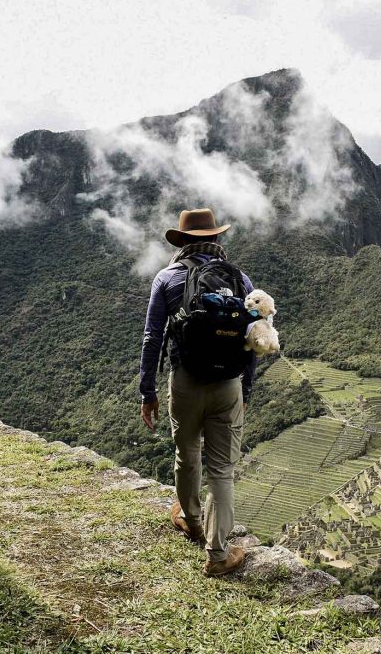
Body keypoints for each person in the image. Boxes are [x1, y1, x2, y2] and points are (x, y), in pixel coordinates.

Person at [139, 208, 256, 576]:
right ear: (216, 240)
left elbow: (152, 338)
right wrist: (245, 387)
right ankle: (219, 555)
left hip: (185, 381)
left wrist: (148, 391)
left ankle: (191, 520)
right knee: (221, 470)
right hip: (228, 386)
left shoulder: (167, 278)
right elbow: (255, 339)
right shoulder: (241, 279)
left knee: (186, 452)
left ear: (184, 242)